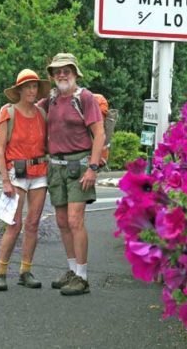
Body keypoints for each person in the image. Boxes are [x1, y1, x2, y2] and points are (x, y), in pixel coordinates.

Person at [40, 53, 105, 296]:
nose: (62, 74)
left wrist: (93, 167)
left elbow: (99, 134)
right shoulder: (52, 100)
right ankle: (71, 270)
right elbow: (30, 114)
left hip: (79, 166)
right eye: (57, 71)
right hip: (55, 166)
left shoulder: (85, 98)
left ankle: (82, 276)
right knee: (62, 222)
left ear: (75, 73)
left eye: (66, 70)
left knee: (76, 220)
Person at [0, 69, 51, 291]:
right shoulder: (9, 113)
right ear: (19, 90)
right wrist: (5, 180)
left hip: (39, 174)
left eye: (34, 86)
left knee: (33, 224)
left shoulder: (42, 114)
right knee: (13, 225)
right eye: (27, 86)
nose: (31, 90)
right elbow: (0, 150)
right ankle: (0, 272)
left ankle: (25, 271)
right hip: (16, 174)